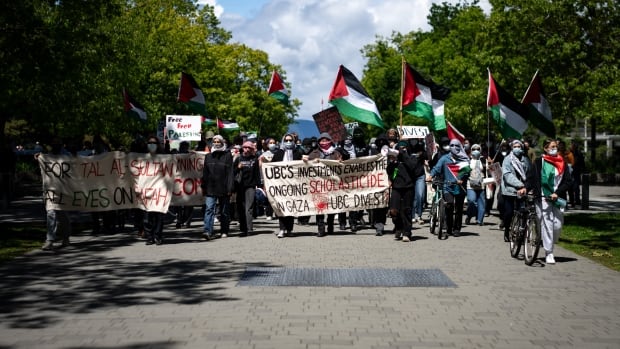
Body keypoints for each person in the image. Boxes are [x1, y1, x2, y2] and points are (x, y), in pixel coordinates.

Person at [532, 138, 572, 264]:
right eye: (552, 146)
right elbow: (532, 178)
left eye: (556, 146)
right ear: (545, 148)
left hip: (557, 198)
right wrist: (525, 188)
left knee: (557, 225)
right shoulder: (539, 162)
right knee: (547, 224)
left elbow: (568, 181)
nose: (555, 148)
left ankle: (548, 241)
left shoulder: (562, 162)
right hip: (543, 197)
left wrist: (557, 193)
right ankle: (549, 252)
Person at [428, 139, 470, 237]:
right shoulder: (444, 158)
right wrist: (431, 175)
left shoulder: (465, 159)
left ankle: (457, 229)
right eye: (451, 145)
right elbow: (436, 168)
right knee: (449, 205)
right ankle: (449, 228)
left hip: (460, 187)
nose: (453, 148)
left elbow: (467, 172)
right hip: (447, 186)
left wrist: (462, 178)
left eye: (456, 145)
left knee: (459, 209)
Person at [306, 132, 345, 237]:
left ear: (330, 141)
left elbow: (341, 166)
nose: (323, 142)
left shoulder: (336, 153)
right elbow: (306, 163)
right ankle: (321, 228)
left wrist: (340, 161)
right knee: (320, 206)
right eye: (321, 141)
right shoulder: (314, 153)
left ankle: (331, 225)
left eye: (325, 140)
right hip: (318, 184)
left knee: (331, 205)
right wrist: (307, 160)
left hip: (332, 184)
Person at [500, 139, 534, 242]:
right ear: (511, 148)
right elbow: (507, 175)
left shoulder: (526, 160)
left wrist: (527, 187)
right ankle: (507, 230)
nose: (517, 148)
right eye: (515, 147)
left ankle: (521, 233)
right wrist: (520, 185)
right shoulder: (507, 159)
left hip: (523, 191)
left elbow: (529, 173)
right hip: (509, 190)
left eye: (519, 146)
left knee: (522, 212)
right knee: (509, 213)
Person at [201, 135, 234, 240]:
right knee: (209, 209)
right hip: (210, 188)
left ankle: (224, 230)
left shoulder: (227, 156)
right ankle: (208, 231)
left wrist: (230, 188)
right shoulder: (208, 157)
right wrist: (203, 187)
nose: (216, 143)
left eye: (218, 141)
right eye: (214, 141)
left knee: (224, 211)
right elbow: (205, 173)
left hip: (224, 188)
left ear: (222, 143)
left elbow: (230, 173)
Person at [272, 133, 303, 237]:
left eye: (290, 140)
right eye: (286, 140)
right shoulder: (278, 154)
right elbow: (271, 168)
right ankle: (281, 228)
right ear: (283, 141)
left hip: (293, 185)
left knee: (291, 207)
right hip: (280, 185)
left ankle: (289, 229)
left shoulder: (297, 153)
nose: (288, 142)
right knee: (281, 207)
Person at [387, 140, 417, 242]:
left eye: (404, 148)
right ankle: (399, 227)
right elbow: (390, 172)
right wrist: (392, 162)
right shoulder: (395, 160)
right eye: (400, 148)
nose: (402, 149)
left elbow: (413, 167)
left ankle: (407, 233)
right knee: (393, 211)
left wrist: (404, 155)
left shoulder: (412, 158)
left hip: (408, 187)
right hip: (397, 187)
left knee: (406, 210)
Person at [234, 141, 260, 236]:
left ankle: (249, 228)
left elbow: (257, 173)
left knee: (249, 208)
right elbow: (232, 172)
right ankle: (243, 227)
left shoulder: (255, 159)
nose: (247, 149)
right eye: (245, 147)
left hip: (250, 186)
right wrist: (238, 167)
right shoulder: (238, 159)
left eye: (249, 148)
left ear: (252, 149)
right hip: (240, 186)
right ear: (242, 148)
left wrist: (259, 186)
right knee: (241, 207)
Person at [143, 135, 166, 245]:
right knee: (147, 217)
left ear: (157, 145)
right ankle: (149, 236)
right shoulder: (142, 158)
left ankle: (157, 236)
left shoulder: (163, 158)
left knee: (159, 216)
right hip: (147, 191)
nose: (152, 145)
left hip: (160, 191)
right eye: (150, 143)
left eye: (154, 143)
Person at [465, 143, 486, 226]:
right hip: (470, 184)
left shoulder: (483, 160)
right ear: (471, 150)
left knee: (481, 203)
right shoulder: (467, 160)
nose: (476, 151)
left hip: (481, 184)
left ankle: (479, 220)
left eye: (478, 149)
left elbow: (489, 171)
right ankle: (469, 215)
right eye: (474, 149)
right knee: (472, 201)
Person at [175, 141, 194, 228]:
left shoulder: (191, 156)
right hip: (178, 182)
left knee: (189, 203)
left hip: (189, 182)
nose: (184, 148)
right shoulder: (176, 156)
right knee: (179, 204)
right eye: (183, 147)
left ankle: (187, 220)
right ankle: (179, 220)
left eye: (185, 147)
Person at [409, 141, 427, 225]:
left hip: (420, 175)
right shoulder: (407, 149)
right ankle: (412, 216)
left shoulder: (421, 148)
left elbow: (428, 156)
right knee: (412, 197)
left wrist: (422, 153)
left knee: (420, 195)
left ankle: (419, 215)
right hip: (410, 176)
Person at [569, 140, 585, 207]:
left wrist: (582, 169)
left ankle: (577, 200)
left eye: (574, 145)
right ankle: (572, 201)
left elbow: (582, 163)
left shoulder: (579, 153)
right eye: (572, 145)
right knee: (570, 187)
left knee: (576, 187)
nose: (572, 146)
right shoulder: (569, 153)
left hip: (576, 172)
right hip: (569, 172)